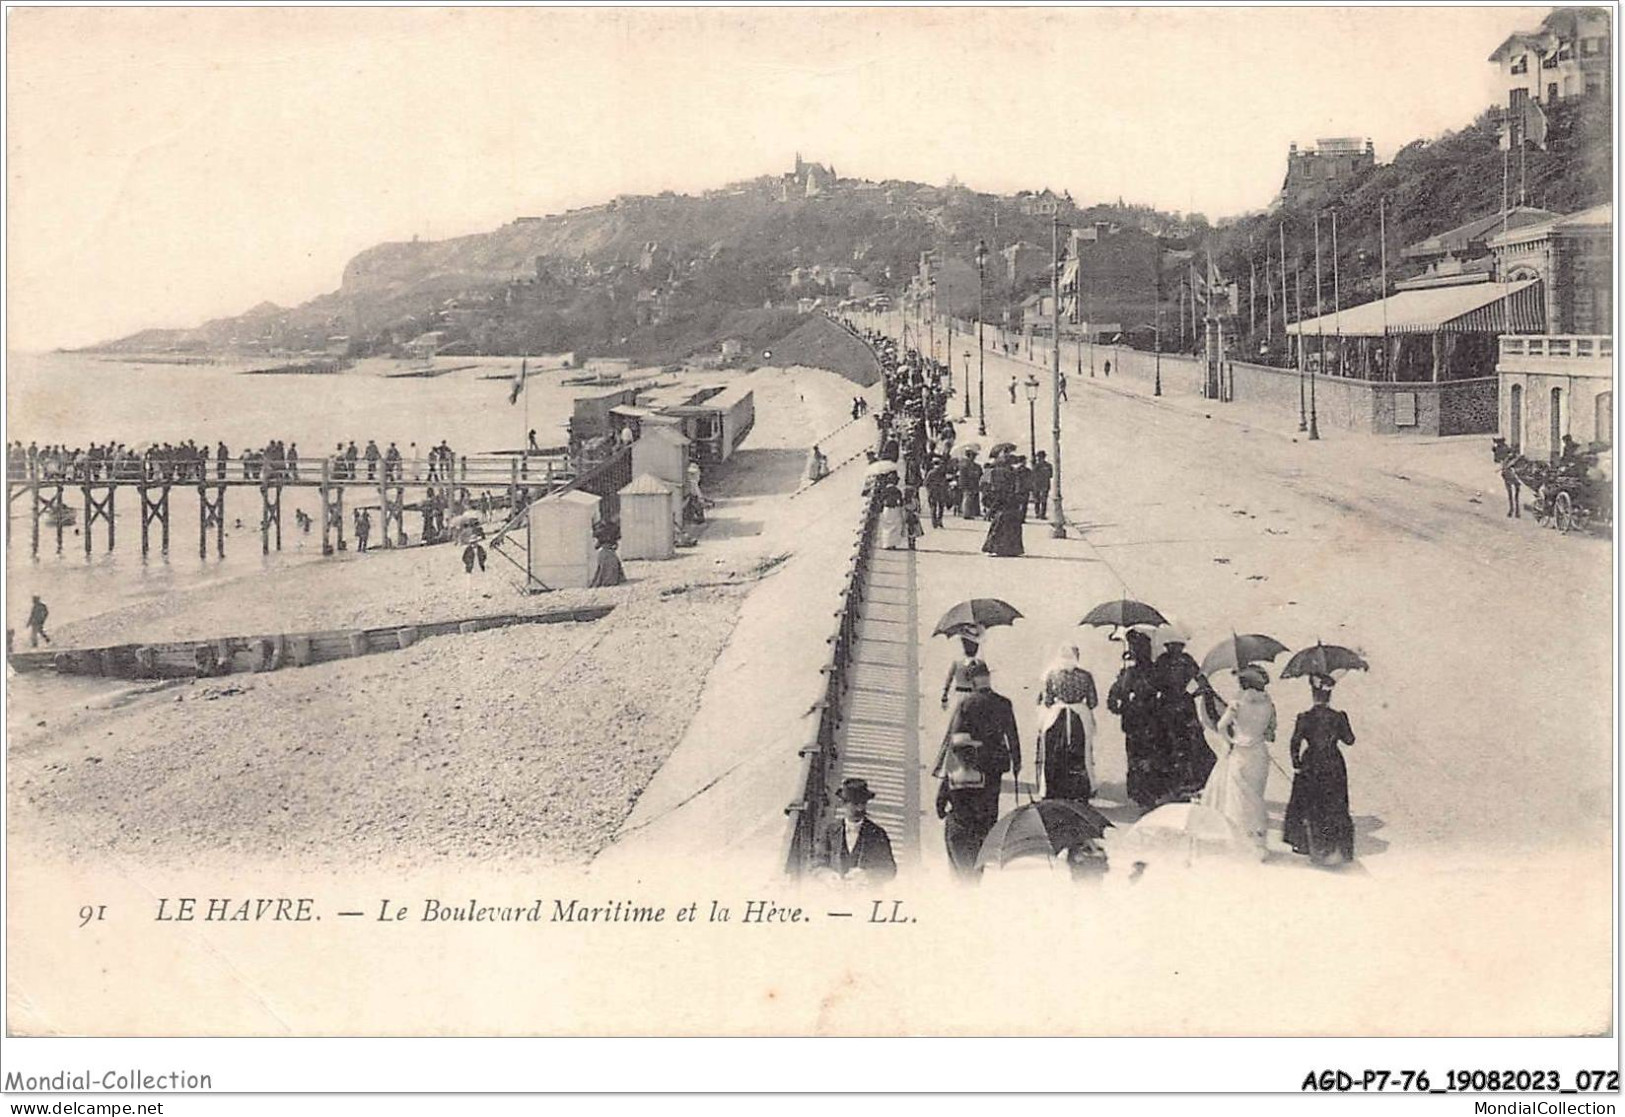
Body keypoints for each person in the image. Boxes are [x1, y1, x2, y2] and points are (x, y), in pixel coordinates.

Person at [935, 660, 1020, 880]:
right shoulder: (1004, 703)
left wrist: (947, 776)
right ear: (988, 679)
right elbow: (1012, 735)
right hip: (996, 764)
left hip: (971, 763)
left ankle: (966, 860)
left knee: (967, 806)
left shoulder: (967, 704)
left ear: (972, 682)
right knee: (990, 806)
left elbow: (956, 739)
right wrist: (1017, 761)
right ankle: (983, 850)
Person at [1196, 666, 1275, 858]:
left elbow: (1221, 726)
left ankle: (1238, 840)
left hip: (1240, 753)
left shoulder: (1237, 703)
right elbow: (1271, 733)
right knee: (1256, 796)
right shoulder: (1269, 703)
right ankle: (1257, 841)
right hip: (1259, 754)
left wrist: (1230, 741)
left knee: (1238, 798)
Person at [1283, 674, 1357, 866]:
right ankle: (1336, 845)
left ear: (1313, 694)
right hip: (1333, 762)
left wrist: (1296, 763)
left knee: (1312, 804)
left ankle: (1310, 845)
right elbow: (1350, 740)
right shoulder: (1338, 716)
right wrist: (1344, 722)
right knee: (1334, 803)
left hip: (1312, 762)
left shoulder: (1304, 717)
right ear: (1329, 695)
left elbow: (1294, 742)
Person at [1036, 643, 1097, 802]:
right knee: (1081, 753)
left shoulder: (1052, 675)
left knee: (1055, 754)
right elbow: (1092, 701)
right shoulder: (1086, 676)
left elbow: (1048, 701)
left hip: (1057, 717)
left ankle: (1055, 790)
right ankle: (1080, 791)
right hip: (1079, 717)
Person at [1108, 629, 1161, 808]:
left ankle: (1142, 792)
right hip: (1148, 717)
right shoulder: (1152, 670)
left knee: (1137, 755)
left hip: (1138, 717)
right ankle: (1147, 792)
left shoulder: (1132, 672)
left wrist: (1122, 699)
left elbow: (1116, 697)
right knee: (1147, 755)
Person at [1154, 631, 1211, 798]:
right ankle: (1187, 781)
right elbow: (1203, 683)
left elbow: (1154, 683)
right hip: (1183, 704)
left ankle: (1176, 782)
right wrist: (1191, 694)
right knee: (1186, 742)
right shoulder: (1187, 660)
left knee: (1170, 742)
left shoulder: (1162, 661)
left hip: (1167, 704)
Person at [814, 778, 897, 884]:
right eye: (855, 804)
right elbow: (816, 863)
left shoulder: (877, 834)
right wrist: (827, 875)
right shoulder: (830, 831)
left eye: (863, 804)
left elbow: (889, 870)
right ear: (843, 804)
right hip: (834, 896)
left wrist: (866, 875)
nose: (860, 809)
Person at [876, 483, 907, 549]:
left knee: (886, 527)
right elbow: (901, 501)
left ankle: (886, 544)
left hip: (886, 510)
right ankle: (893, 544)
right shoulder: (897, 491)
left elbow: (880, 501)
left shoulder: (884, 491)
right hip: (895, 509)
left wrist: (879, 510)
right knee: (895, 527)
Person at [924, 457, 951, 529]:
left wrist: (929, 490)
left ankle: (934, 522)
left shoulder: (931, 472)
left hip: (933, 492)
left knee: (934, 507)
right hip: (940, 491)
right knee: (940, 507)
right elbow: (945, 483)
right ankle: (939, 521)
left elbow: (926, 483)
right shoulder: (942, 473)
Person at [956, 449, 982, 519]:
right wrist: (975, 474)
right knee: (967, 498)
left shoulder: (966, 463)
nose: (974, 457)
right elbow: (968, 474)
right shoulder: (966, 464)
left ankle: (970, 512)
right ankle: (966, 514)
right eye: (973, 456)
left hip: (968, 483)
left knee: (969, 497)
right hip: (967, 483)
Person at [1030, 451, 1053, 519]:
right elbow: (1051, 475)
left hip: (1037, 484)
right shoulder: (1048, 465)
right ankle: (1041, 514)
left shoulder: (1036, 466)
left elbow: (1033, 475)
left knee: (1039, 500)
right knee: (1042, 500)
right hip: (1043, 484)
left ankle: (1038, 514)